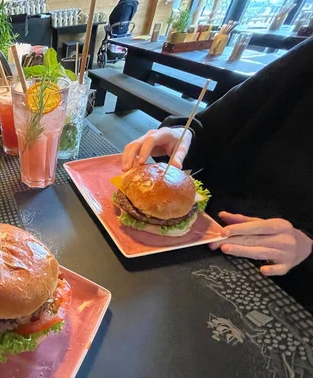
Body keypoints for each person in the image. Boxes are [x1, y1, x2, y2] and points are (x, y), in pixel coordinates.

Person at [121, 37, 313, 306]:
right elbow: (212, 126)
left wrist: (308, 249)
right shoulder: (305, 58)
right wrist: (184, 134)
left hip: (281, 283)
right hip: (195, 237)